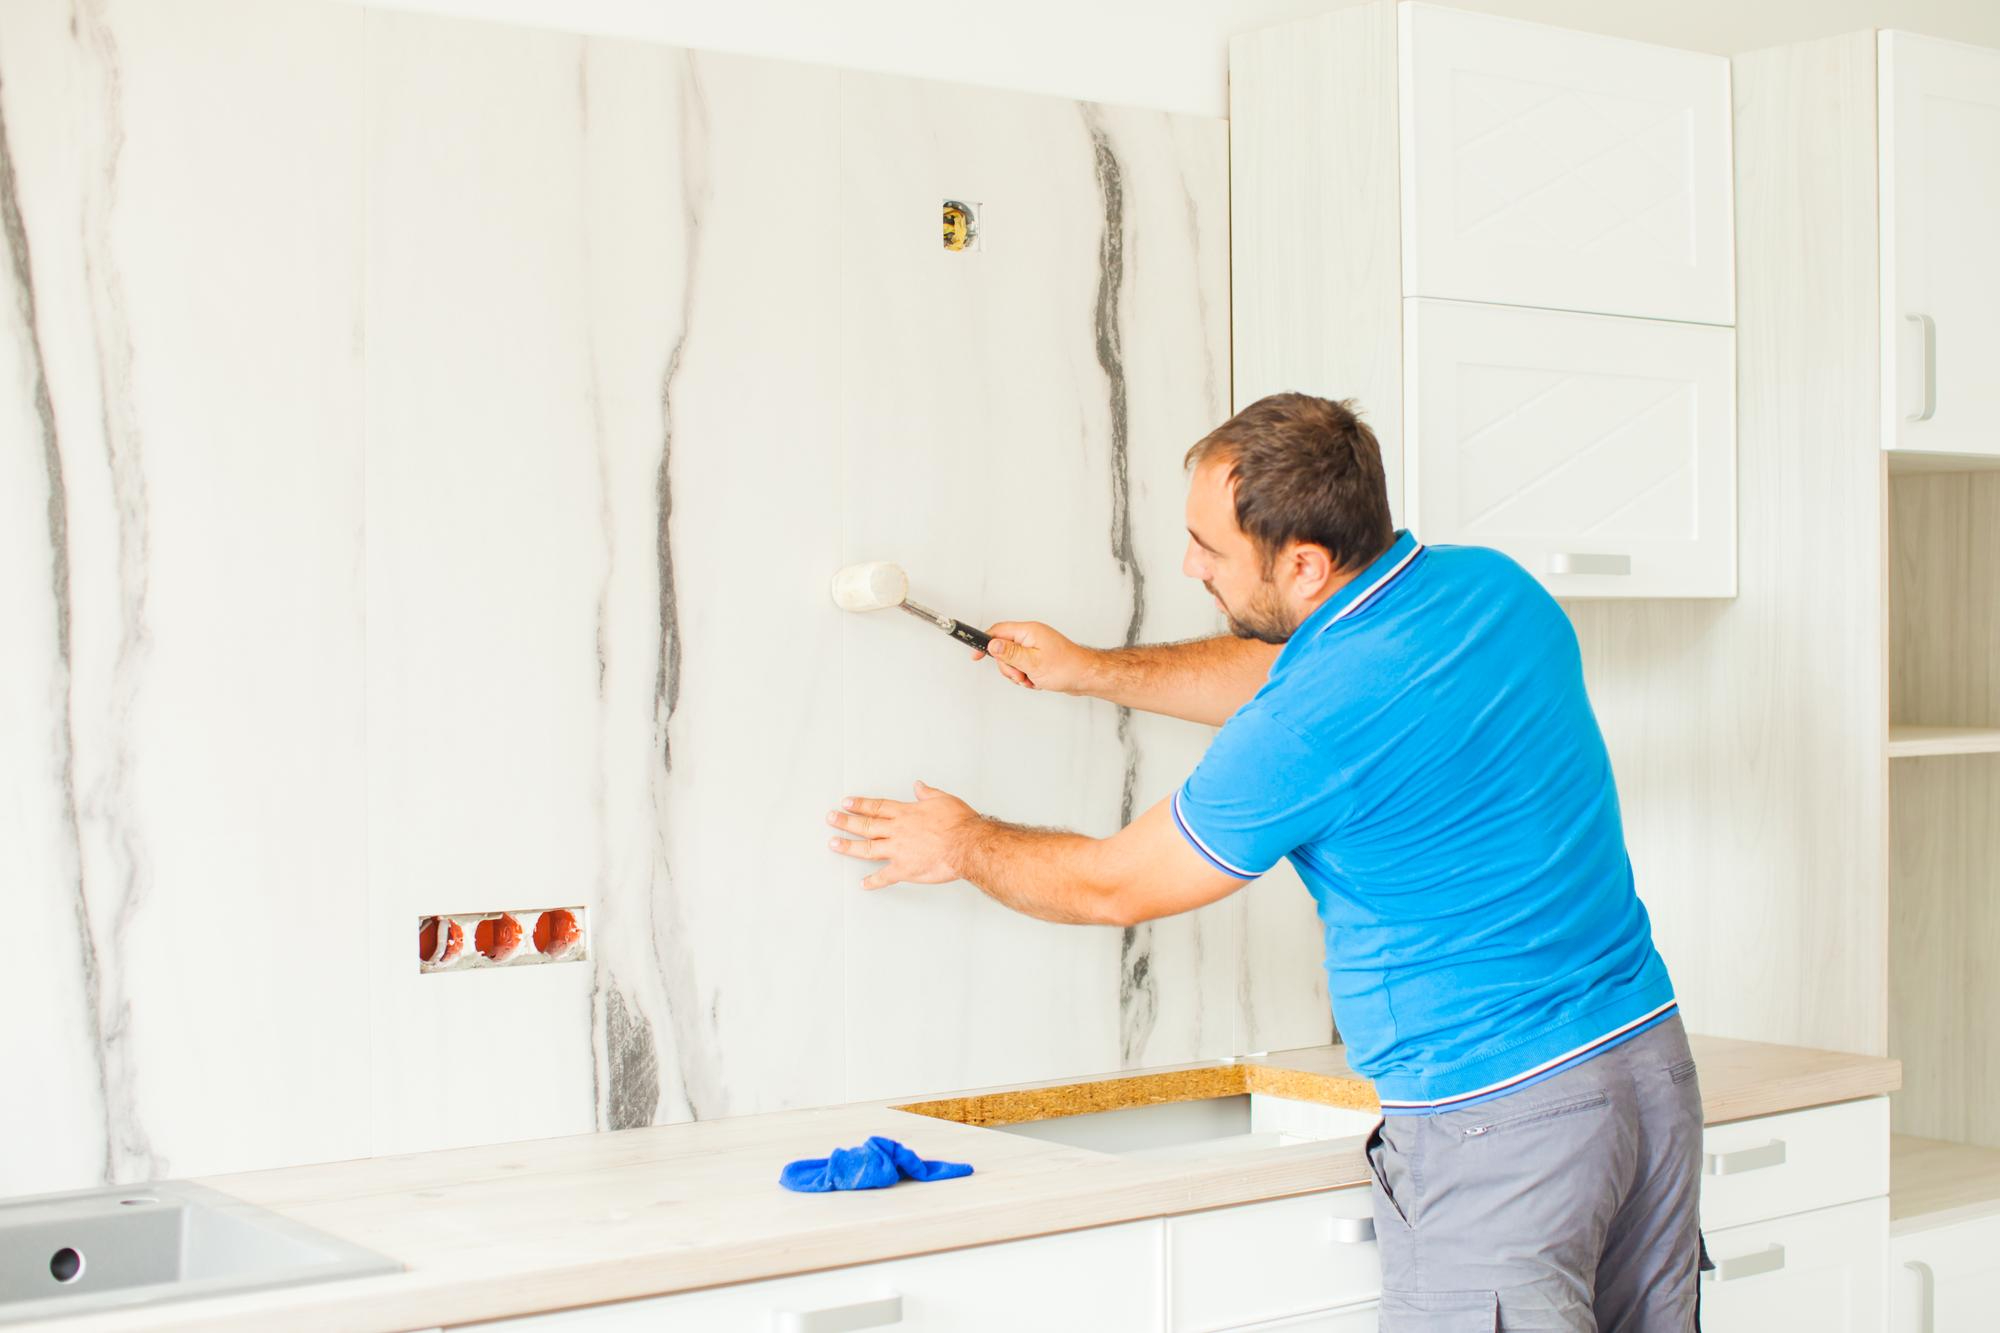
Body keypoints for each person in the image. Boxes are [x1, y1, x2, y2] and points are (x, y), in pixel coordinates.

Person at [825, 392, 1702, 1332]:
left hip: (1498, 1122)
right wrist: (1091, 668)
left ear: (1304, 562)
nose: (1191, 564)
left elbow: (1113, 884)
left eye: (1211, 548)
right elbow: (1292, 670)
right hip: (1647, 1072)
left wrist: (961, 843)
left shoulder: (1307, 727)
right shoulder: (1491, 591)